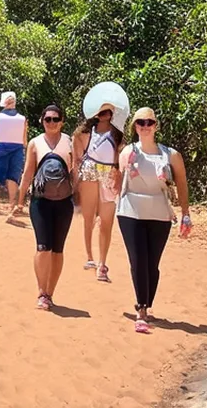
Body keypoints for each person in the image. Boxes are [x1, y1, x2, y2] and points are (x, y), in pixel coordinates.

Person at [115, 107, 192, 334]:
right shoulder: (128, 151)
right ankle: (141, 309)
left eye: (149, 122)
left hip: (159, 213)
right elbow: (118, 182)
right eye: (141, 122)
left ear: (156, 126)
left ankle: (147, 303)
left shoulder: (171, 155)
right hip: (130, 211)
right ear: (135, 126)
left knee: (152, 264)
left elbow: (181, 183)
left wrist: (186, 213)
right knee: (138, 260)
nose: (145, 126)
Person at [17, 104, 77, 310]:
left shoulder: (70, 142)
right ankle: (42, 292)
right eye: (47, 119)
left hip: (64, 202)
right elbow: (28, 173)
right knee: (43, 247)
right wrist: (19, 200)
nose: (51, 123)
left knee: (58, 249)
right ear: (42, 121)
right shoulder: (35, 143)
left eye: (55, 119)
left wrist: (81, 197)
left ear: (62, 121)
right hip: (40, 201)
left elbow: (75, 172)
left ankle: (50, 292)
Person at [73, 104, 124, 282]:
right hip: (89, 172)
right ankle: (90, 257)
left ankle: (102, 263)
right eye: (101, 111)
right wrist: (75, 183)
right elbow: (76, 159)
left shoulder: (117, 135)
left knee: (106, 221)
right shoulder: (84, 133)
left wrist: (118, 176)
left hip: (108, 174)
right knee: (89, 217)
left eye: (108, 111)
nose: (105, 115)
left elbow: (120, 159)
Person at [0, 91, 28, 215]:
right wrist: (25, 149)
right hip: (17, 148)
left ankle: (0, 203)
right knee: (12, 175)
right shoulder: (22, 119)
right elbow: (24, 138)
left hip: (4, 146)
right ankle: (10, 204)